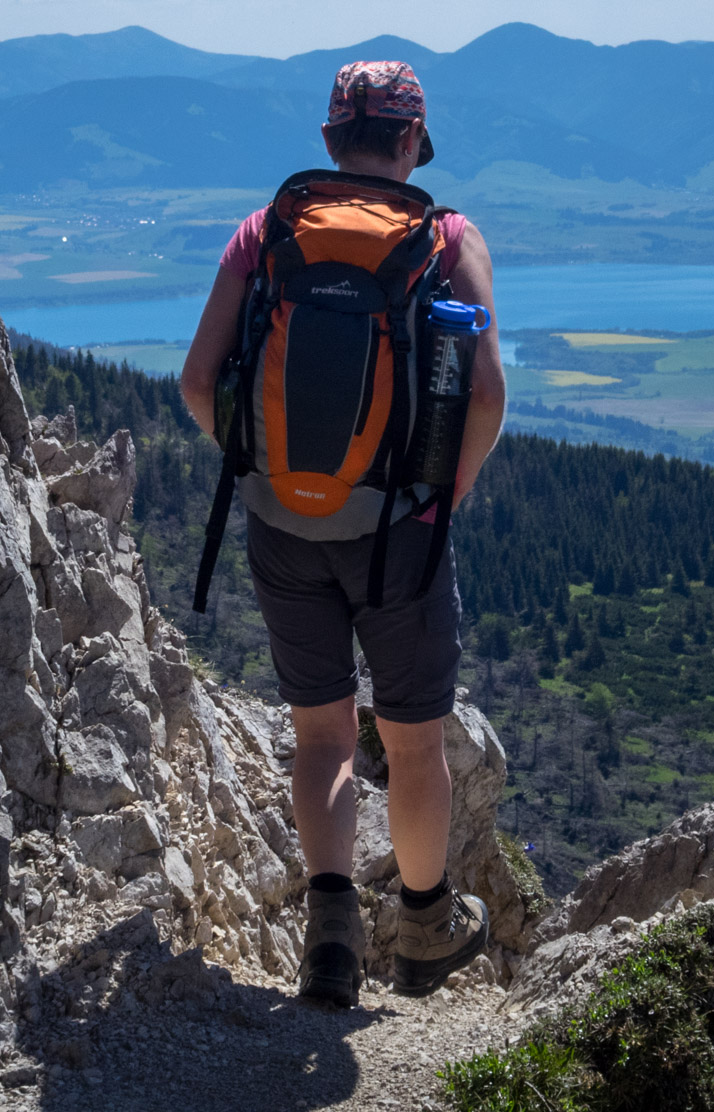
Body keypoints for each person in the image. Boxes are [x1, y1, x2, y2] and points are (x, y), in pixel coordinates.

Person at [180, 61, 507, 1007]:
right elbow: (484, 393)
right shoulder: (447, 238)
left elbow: (200, 383)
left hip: (283, 526)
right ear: (412, 141)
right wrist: (453, 486)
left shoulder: (266, 232)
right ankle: (423, 929)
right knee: (412, 742)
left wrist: (266, 469)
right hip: (402, 529)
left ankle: (328, 942)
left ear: (329, 141)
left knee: (319, 736)